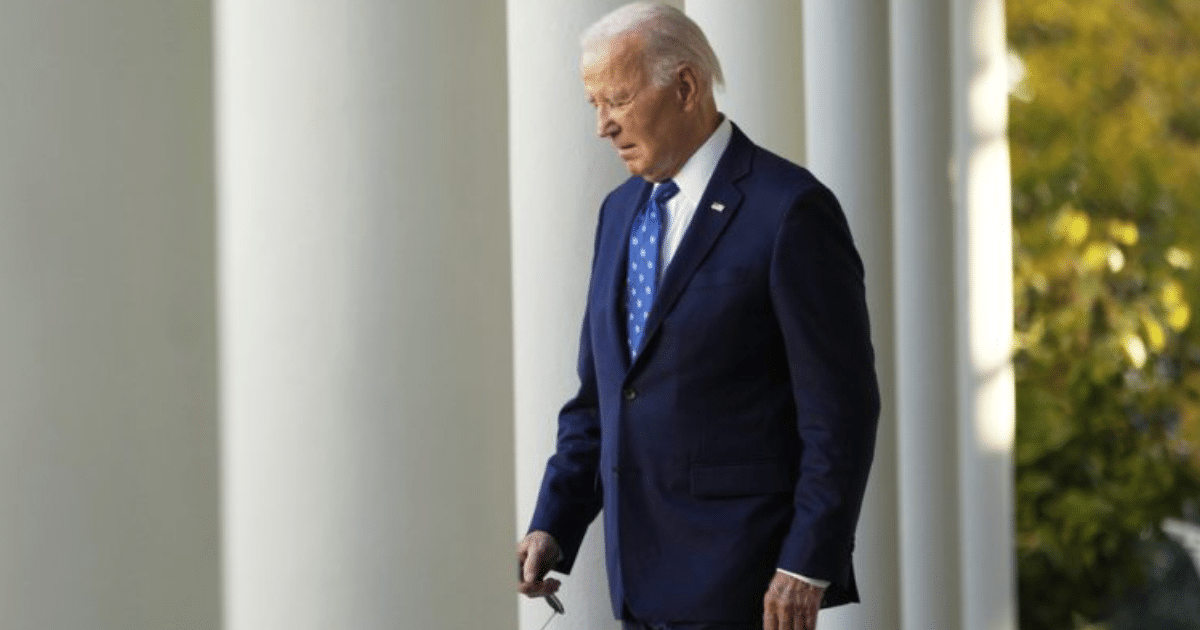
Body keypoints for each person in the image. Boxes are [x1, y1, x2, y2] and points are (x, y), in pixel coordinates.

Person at [516, 3, 880, 629]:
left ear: (685, 86)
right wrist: (554, 522)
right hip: (638, 584)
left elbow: (841, 410)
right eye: (595, 105)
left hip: (746, 581)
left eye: (618, 100)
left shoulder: (790, 210)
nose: (603, 126)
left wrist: (807, 564)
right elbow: (602, 397)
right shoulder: (618, 212)